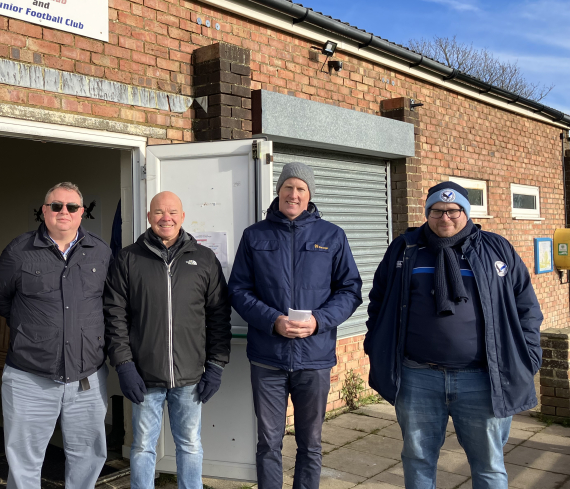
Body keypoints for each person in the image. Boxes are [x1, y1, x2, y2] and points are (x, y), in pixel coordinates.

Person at [365, 181, 543, 489]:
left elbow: (526, 305)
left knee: (489, 465)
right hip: (417, 378)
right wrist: (374, 344)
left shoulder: (495, 248)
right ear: (427, 213)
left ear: (466, 212)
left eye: (453, 210)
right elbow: (379, 301)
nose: (445, 218)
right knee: (418, 461)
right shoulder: (406, 249)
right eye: (437, 211)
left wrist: (528, 355)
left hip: (482, 380)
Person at [229, 162, 362, 489]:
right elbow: (238, 290)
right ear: (278, 191)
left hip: (314, 359)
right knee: (269, 443)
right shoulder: (255, 235)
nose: (294, 194)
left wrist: (319, 320)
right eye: (288, 186)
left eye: (301, 188)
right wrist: (272, 320)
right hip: (267, 358)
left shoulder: (332, 235)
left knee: (311, 443)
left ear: (309, 195)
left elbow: (350, 290)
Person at [0, 181, 112, 489]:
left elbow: (110, 303)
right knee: (24, 460)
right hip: (30, 377)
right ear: (44, 211)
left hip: (86, 378)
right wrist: (26, 324)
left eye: (71, 207)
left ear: (82, 213)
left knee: (88, 457)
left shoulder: (101, 252)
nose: (63, 212)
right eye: (56, 206)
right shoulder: (20, 250)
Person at [103, 191, 231, 489]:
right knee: (143, 448)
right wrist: (123, 364)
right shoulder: (128, 258)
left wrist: (215, 364)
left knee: (190, 446)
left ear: (183, 217)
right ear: (149, 217)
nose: (166, 218)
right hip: (143, 377)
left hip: (189, 378)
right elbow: (114, 316)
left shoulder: (204, 259)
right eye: (159, 212)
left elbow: (218, 315)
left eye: (172, 212)